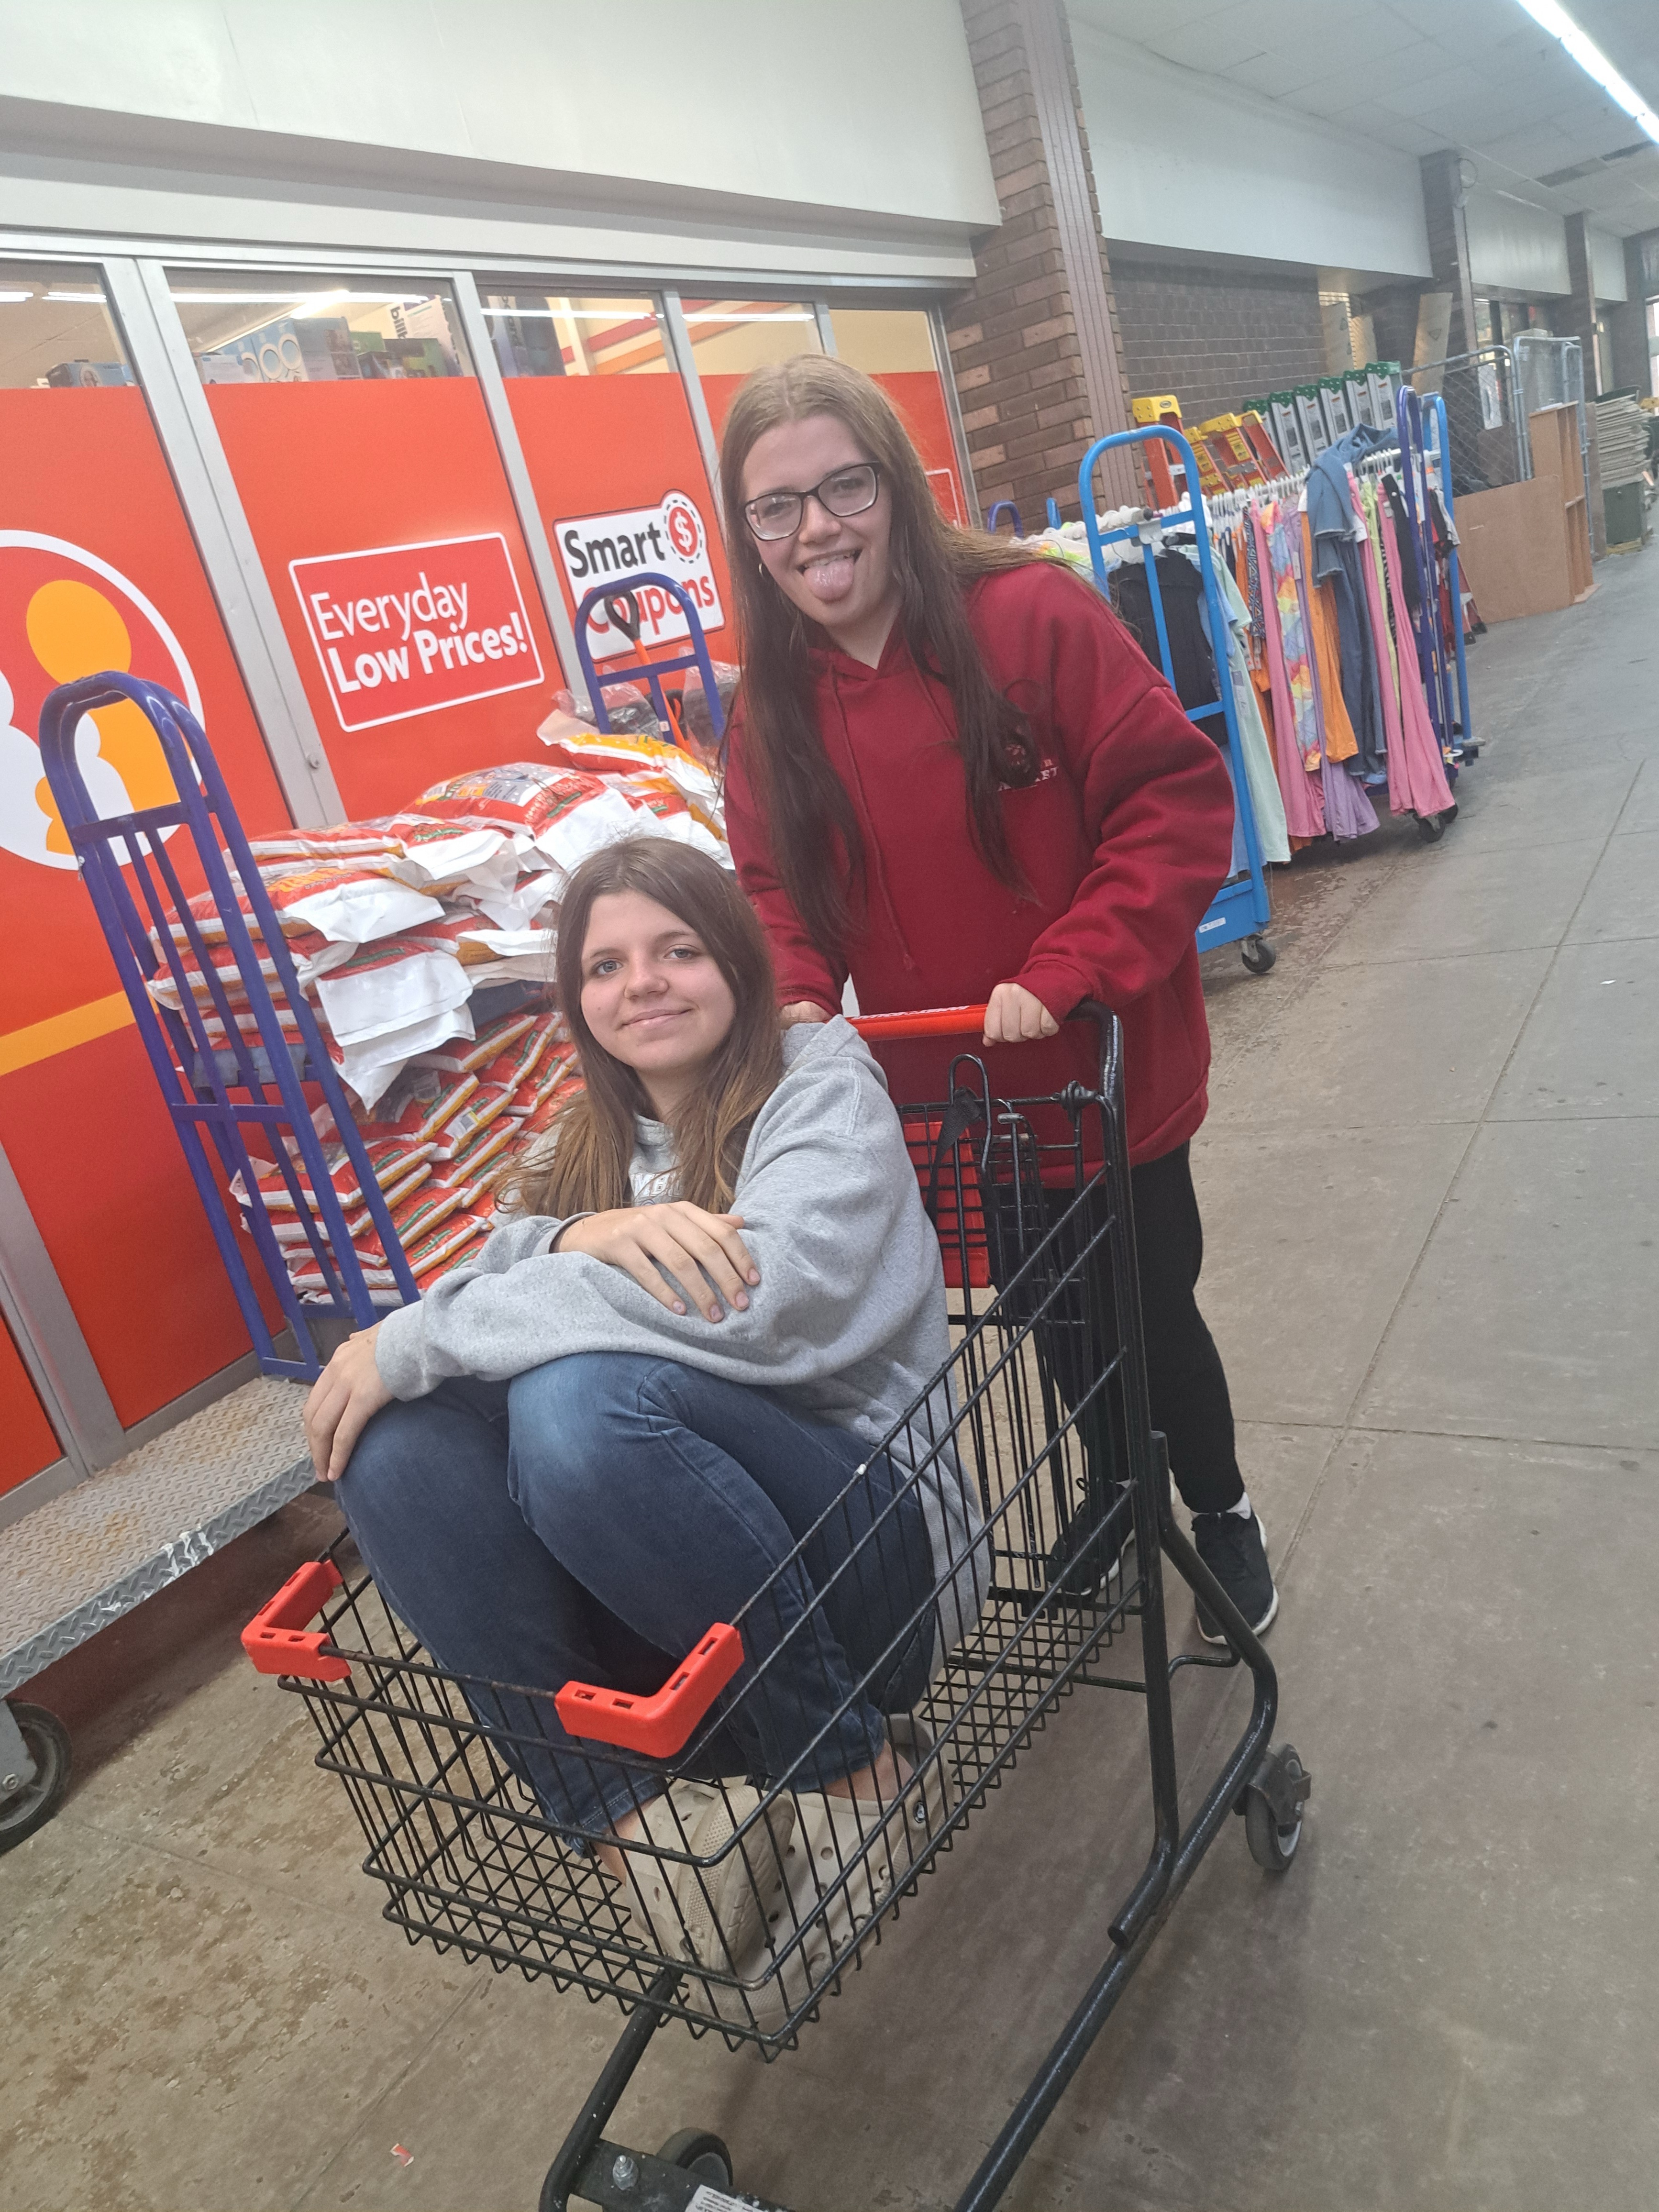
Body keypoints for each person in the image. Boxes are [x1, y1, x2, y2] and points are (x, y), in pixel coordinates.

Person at [302, 838, 967, 1999]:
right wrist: (580, 1235)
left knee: (574, 1404)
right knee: (395, 1443)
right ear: (578, 1000)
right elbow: (497, 1268)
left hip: (869, 1555)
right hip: (663, 1582)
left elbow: (762, 1298)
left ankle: (856, 1771)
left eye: (678, 950)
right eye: (605, 966)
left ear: (739, 964)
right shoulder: (578, 1143)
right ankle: (641, 1833)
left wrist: (420, 1331)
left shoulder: (821, 1086)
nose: (642, 983)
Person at [719, 354, 1277, 1643]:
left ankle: (1220, 1506)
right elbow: (772, 892)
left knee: (1150, 1307)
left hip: (1099, 1064)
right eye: (777, 506)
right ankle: (1116, 1485)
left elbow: (1171, 802)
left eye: (845, 487)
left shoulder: (1031, 618)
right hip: (951, 1097)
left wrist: (1068, 966)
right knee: (1048, 1314)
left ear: (897, 488)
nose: (816, 529)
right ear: (748, 531)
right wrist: (793, 997)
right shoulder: (767, 713)